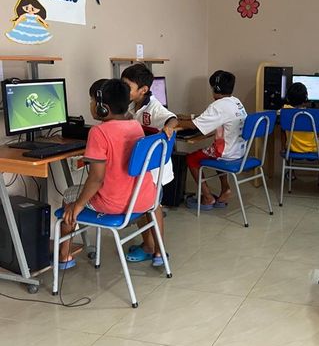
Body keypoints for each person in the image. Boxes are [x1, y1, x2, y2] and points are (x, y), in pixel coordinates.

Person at [58, 79, 156, 269]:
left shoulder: (98, 132)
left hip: (115, 204)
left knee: (69, 195)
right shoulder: (135, 125)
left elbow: (96, 179)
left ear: (103, 108)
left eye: (92, 100)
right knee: (80, 194)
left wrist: (78, 205)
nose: (91, 104)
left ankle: (64, 255)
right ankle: (66, 253)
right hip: (143, 199)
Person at [121, 63, 177, 266]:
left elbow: (171, 118)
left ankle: (158, 250)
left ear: (143, 90)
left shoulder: (153, 107)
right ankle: (149, 245)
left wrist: (169, 128)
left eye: (127, 86)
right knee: (145, 207)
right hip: (143, 169)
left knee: (152, 207)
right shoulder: (132, 107)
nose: (123, 89)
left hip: (155, 171)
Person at [178, 70, 247, 210]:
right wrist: (190, 117)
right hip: (239, 151)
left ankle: (208, 197)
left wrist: (175, 121)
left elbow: (195, 125)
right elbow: (212, 117)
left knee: (191, 159)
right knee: (213, 152)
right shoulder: (236, 102)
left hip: (225, 153)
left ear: (216, 88)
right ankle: (225, 189)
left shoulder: (218, 106)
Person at [281, 82, 319, 153]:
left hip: (291, 149)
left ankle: (284, 148)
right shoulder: (313, 114)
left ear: (288, 97)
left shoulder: (285, 110)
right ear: (305, 98)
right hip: (311, 149)